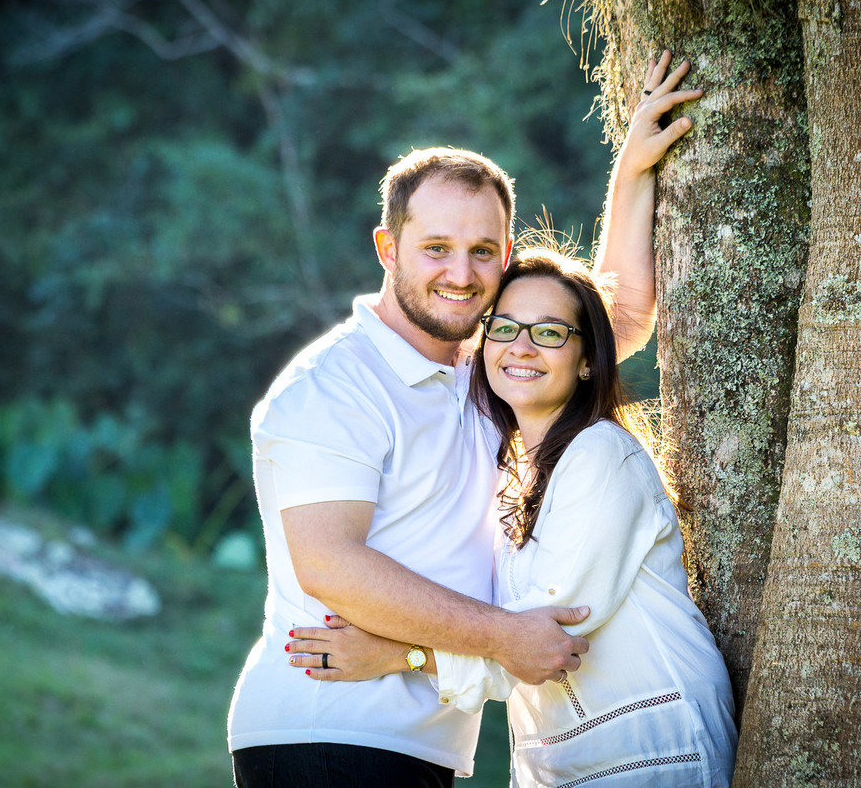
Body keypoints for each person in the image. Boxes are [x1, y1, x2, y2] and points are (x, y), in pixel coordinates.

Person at [230, 51, 702, 786]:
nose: (461, 272)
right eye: (437, 248)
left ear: (506, 253)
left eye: (483, 251)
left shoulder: (488, 369)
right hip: (327, 724)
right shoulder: (333, 386)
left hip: (420, 739)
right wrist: (507, 635)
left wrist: (633, 167)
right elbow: (330, 565)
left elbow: (615, 320)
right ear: (388, 248)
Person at [287, 247, 738, 786]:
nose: (521, 347)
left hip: (657, 750)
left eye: (549, 333)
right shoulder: (509, 475)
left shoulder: (602, 454)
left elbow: (544, 635)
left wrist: (396, 656)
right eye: (504, 328)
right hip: (558, 764)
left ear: (589, 358)